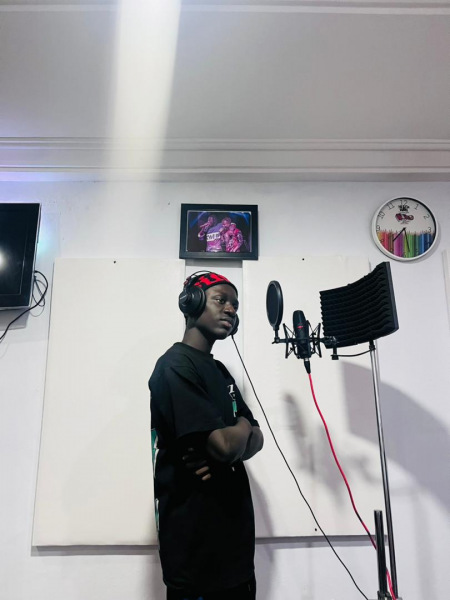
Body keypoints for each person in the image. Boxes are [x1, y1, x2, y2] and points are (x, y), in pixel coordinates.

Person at [149, 271, 264, 600]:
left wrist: (240, 432)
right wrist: (240, 429)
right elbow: (226, 447)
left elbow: (257, 439)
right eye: (220, 300)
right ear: (192, 303)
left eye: (235, 305)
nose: (230, 309)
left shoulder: (220, 371)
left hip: (236, 556)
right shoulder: (174, 366)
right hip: (196, 559)